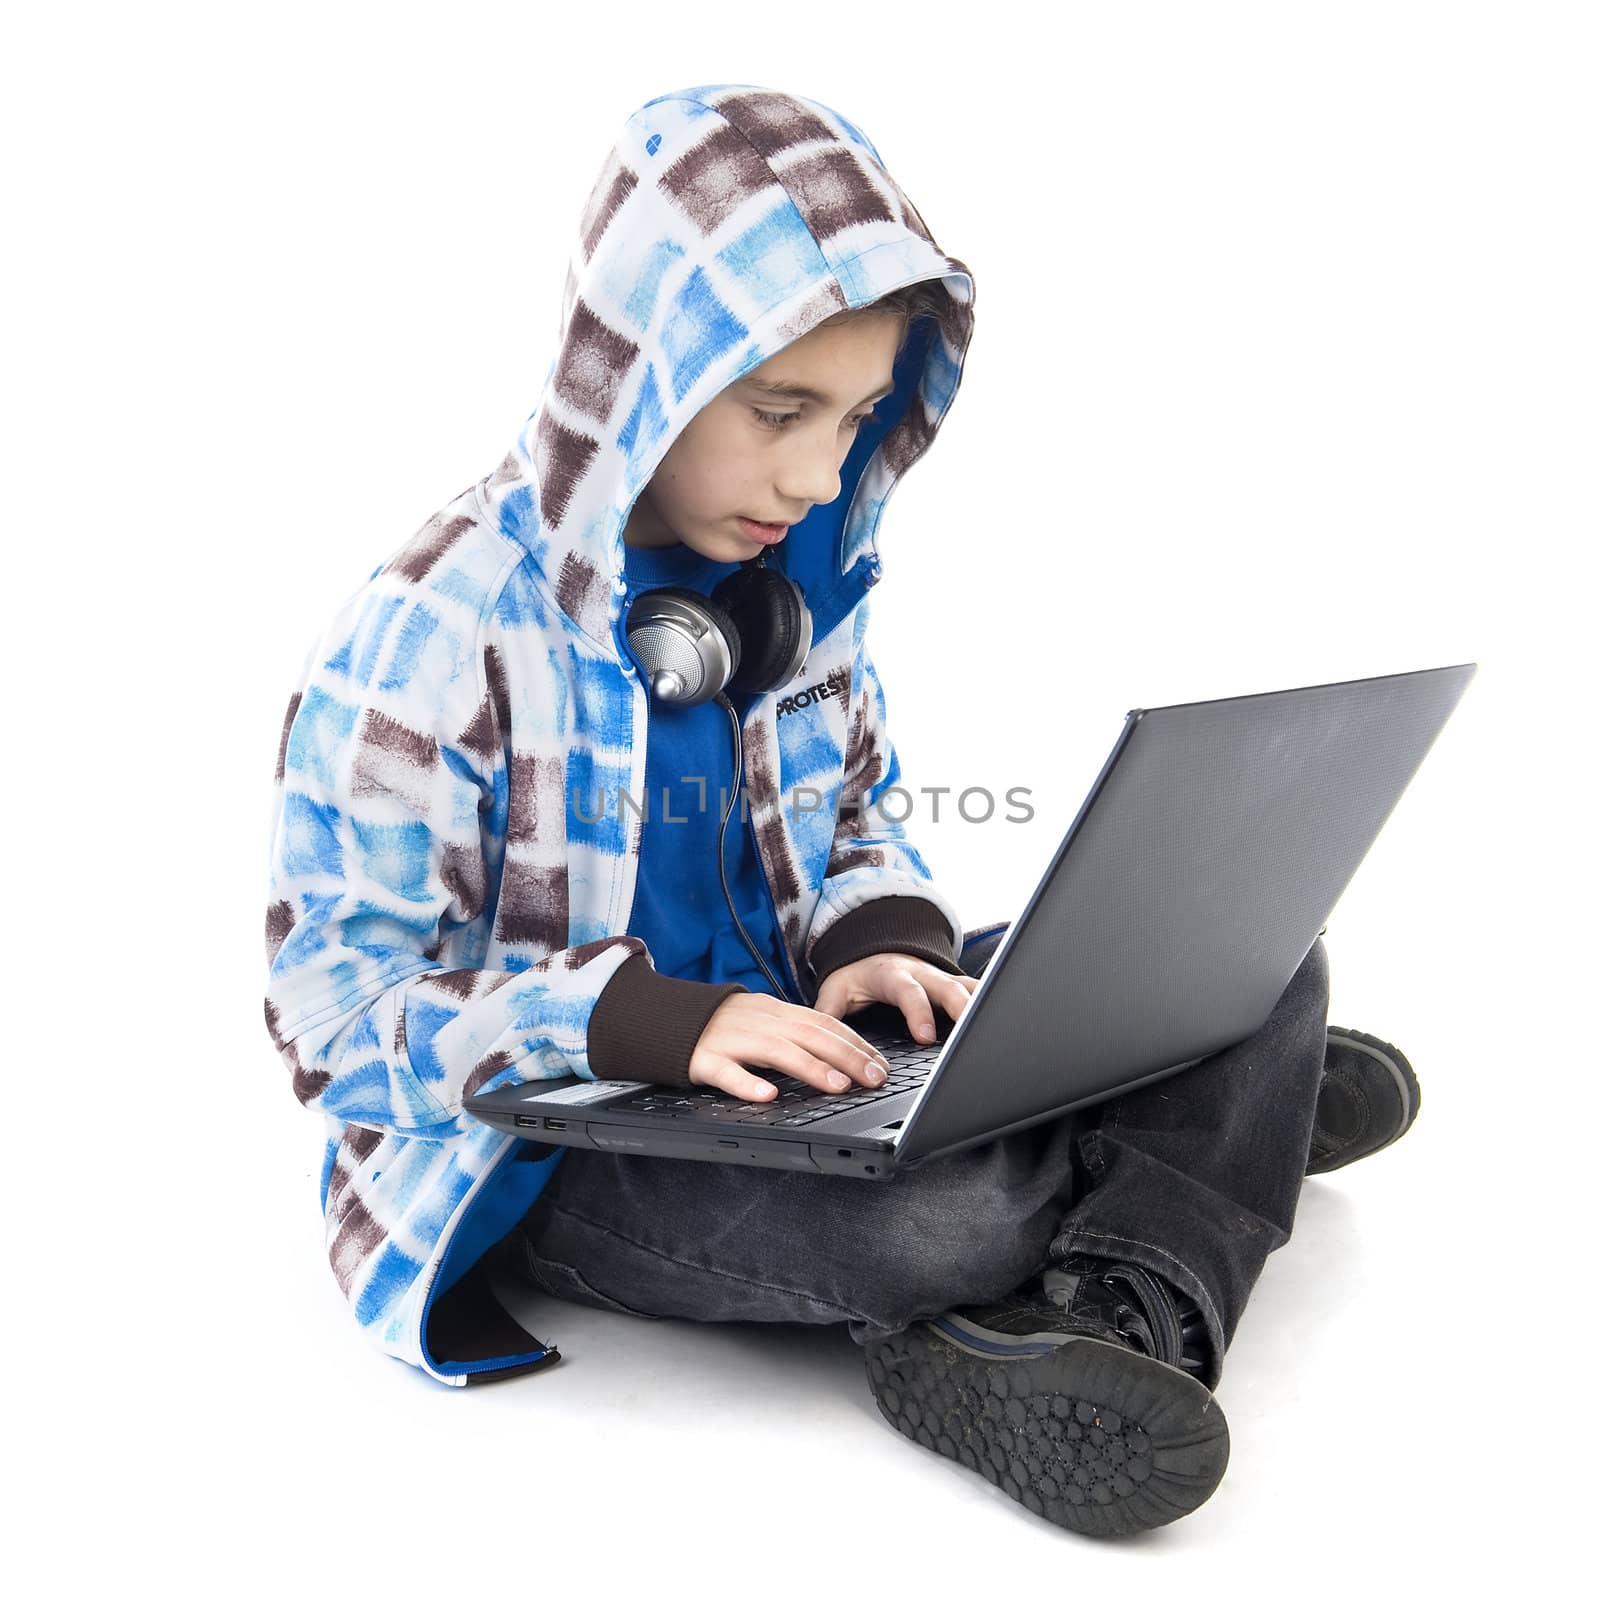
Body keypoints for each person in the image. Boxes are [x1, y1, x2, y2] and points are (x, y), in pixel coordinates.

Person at [263, 83, 1421, 1537]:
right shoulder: (428, 634)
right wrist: (641, 1026)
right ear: (646, 378)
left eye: (857, 417)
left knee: (1253, 950)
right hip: (562, 1143)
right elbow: (333, 1018)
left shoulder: (789, 574)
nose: (816, 474)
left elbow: (854, 804)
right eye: (778, 411)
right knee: (951, 1212)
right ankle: (1183, 1134)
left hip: (805, 1055)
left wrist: (876, 934)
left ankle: (1119, 1278)